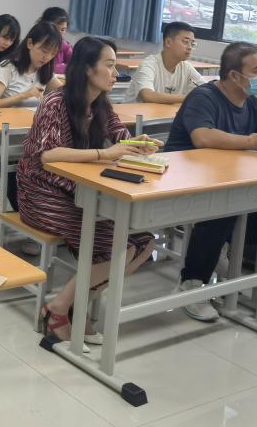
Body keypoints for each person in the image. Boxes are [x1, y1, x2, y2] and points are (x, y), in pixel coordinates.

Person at [17, 37, 159, 346]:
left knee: (144, 242)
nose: (116, 74)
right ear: (86, 69)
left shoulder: (101, 104)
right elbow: (48, 155)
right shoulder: (55, 102)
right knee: (120, 245)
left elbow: (121, 136)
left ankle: (69, 305)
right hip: (41, 193)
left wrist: (138, 144)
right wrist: (104, 154)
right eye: (109, 66)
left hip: (78, 192)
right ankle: (62, 309)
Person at [163, 42, 257, 322]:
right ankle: (191, 284)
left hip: (228, 178)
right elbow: (203, 137)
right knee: (222, 212)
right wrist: (253, 141)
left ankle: (231, 258)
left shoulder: (251, 102)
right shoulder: (204, 97)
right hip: (183, 179)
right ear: (235, 76)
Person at [0, 21, 62, 108]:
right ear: (30, 43)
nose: (47, 57)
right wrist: (23, 96)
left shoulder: (45, 71)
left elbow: (65, 92)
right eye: (44, 51)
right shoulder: (8, 67)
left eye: (53, 54)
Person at [125, 21, 206, 103]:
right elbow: (148, 96)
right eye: (185, 42)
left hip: (162, 111)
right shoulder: (149, 64)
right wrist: (190, 98)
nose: (190, 47)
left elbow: (207, 89)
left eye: (192, 43)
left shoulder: (186, 67)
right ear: (168, 42)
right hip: (134, 111)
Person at [39, 7, 73, 75]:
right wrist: (63, 67)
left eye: (63, 29)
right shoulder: (38, 42)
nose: (59, 33)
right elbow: (43, 68)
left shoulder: (64, 44)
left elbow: (74, 63)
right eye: (55, 28)